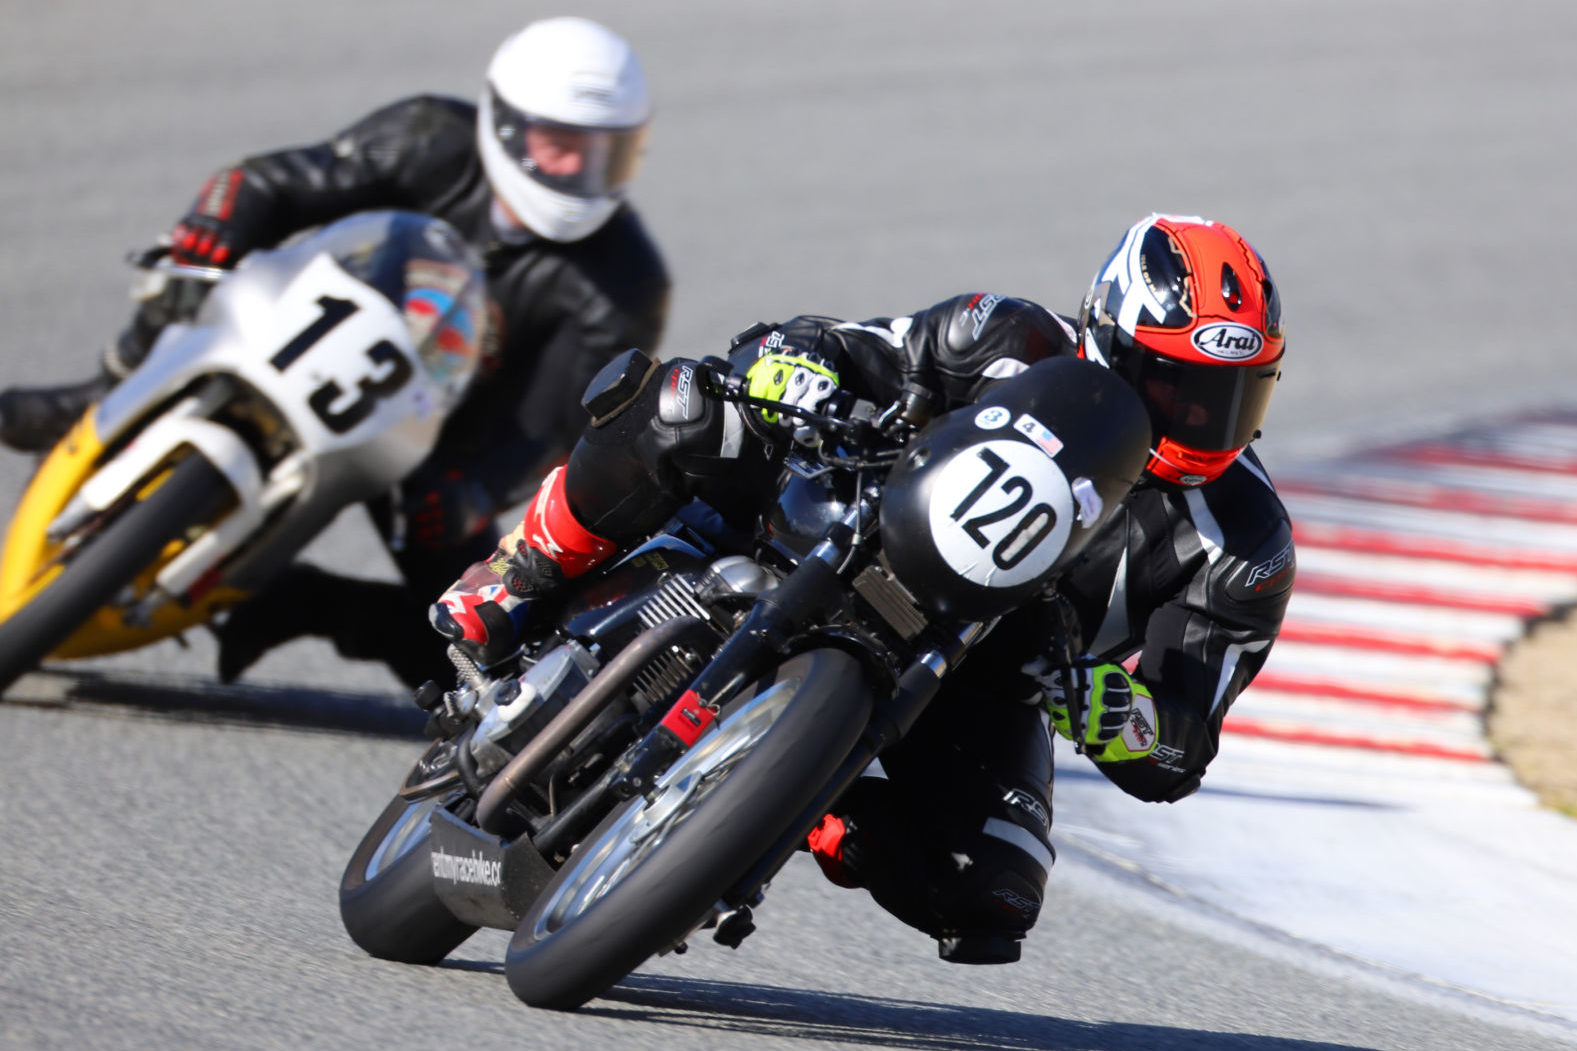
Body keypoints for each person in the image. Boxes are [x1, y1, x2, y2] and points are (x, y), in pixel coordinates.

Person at [433, 214, 1296, 963]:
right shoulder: (1002, 336)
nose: (1199, 420)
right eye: (1175, 386)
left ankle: (793, 805)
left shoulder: (1245, 542)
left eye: (1230, 397)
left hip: (983, 672)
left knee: (993, 889)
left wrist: (1121, 713)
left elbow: (1182, 744)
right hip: (841, 508)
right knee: (687, 403)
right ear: (1108, 335)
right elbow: (839, 344)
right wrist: (792, 367)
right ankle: (520, 573)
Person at [0, 17, 671, 687]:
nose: (578, 171)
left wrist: (473, 488)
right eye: (560, 145)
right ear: (505, 126)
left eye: (603, 154)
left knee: (481, 651)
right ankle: (106, 386)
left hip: (427, 448)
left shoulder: (626, 281)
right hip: (305, 325)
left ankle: (310, 602)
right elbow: (279, 182)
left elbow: (552, 427)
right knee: (186, 273)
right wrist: (215, 223)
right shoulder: (430, 135)